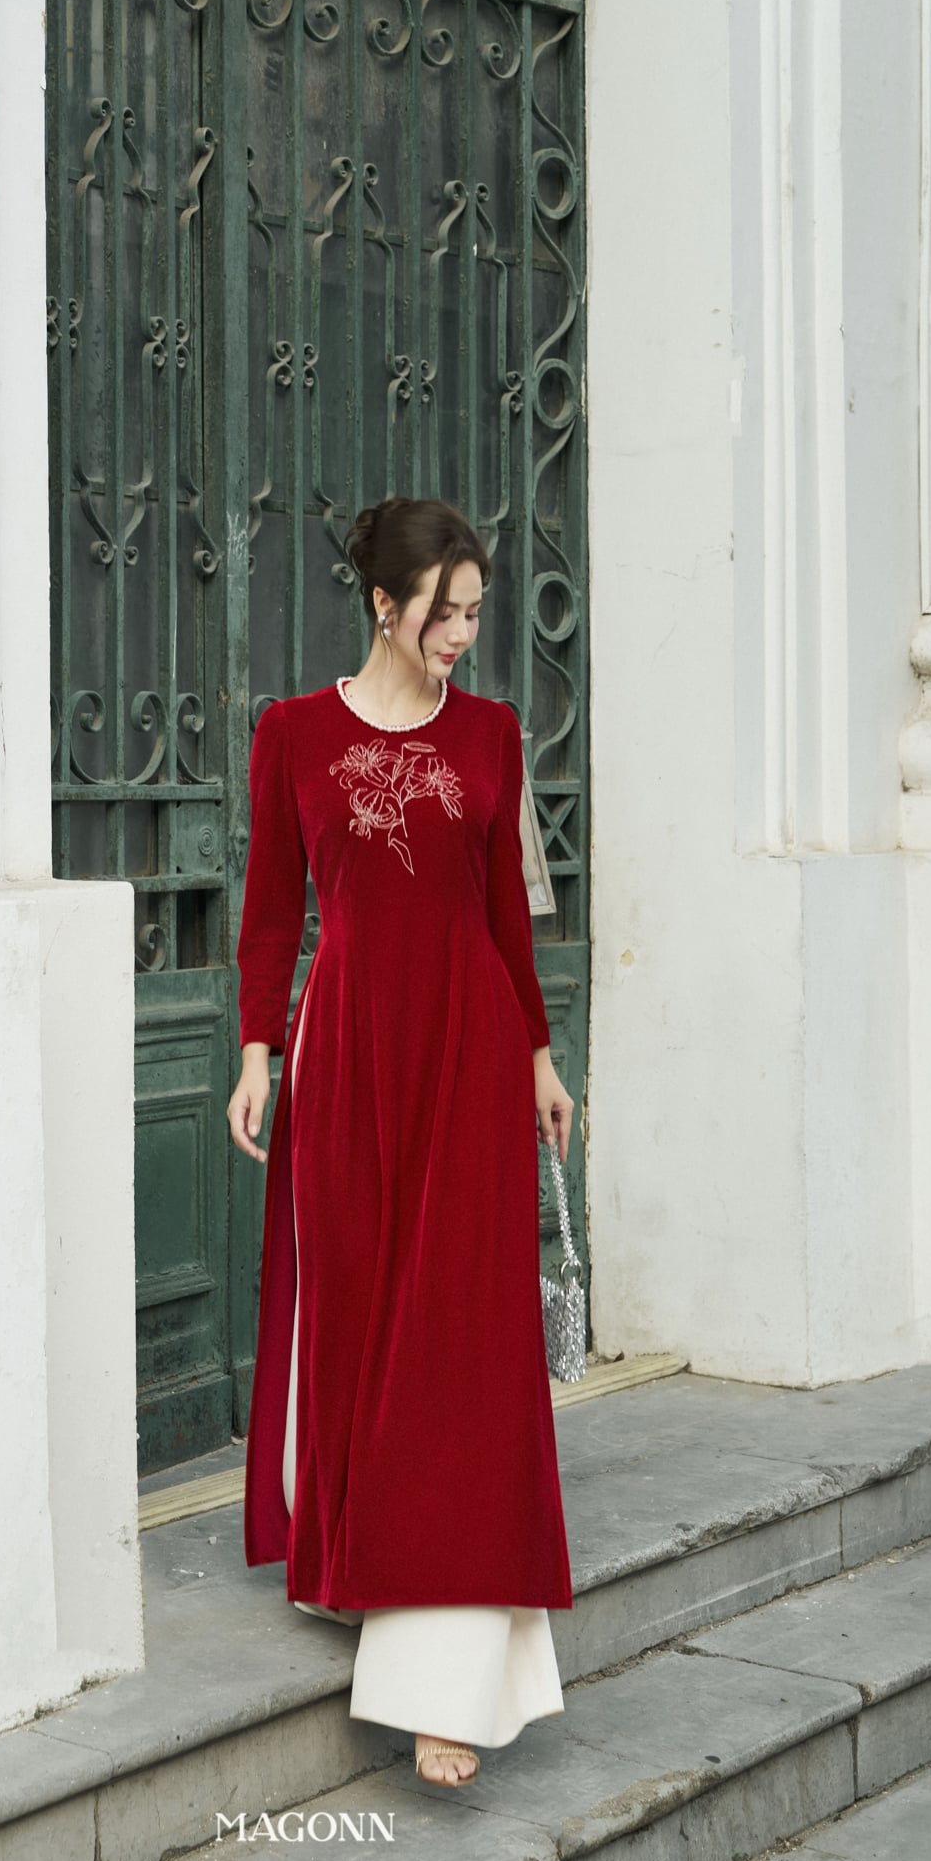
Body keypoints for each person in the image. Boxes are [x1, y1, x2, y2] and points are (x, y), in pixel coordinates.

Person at [227, 496, 576, 1789]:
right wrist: (256, 1052)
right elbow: (272, 911)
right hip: (347, 1053)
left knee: (456, 1346)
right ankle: (357, 1557)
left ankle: (440, 1682)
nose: (463, 635)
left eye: (476, 613)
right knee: (358, 1315)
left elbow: (505, 916)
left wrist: (537, 1055)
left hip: (469, 1051)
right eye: (445, 612)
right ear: (383, 605)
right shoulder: (291, 735)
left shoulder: (492, 734)